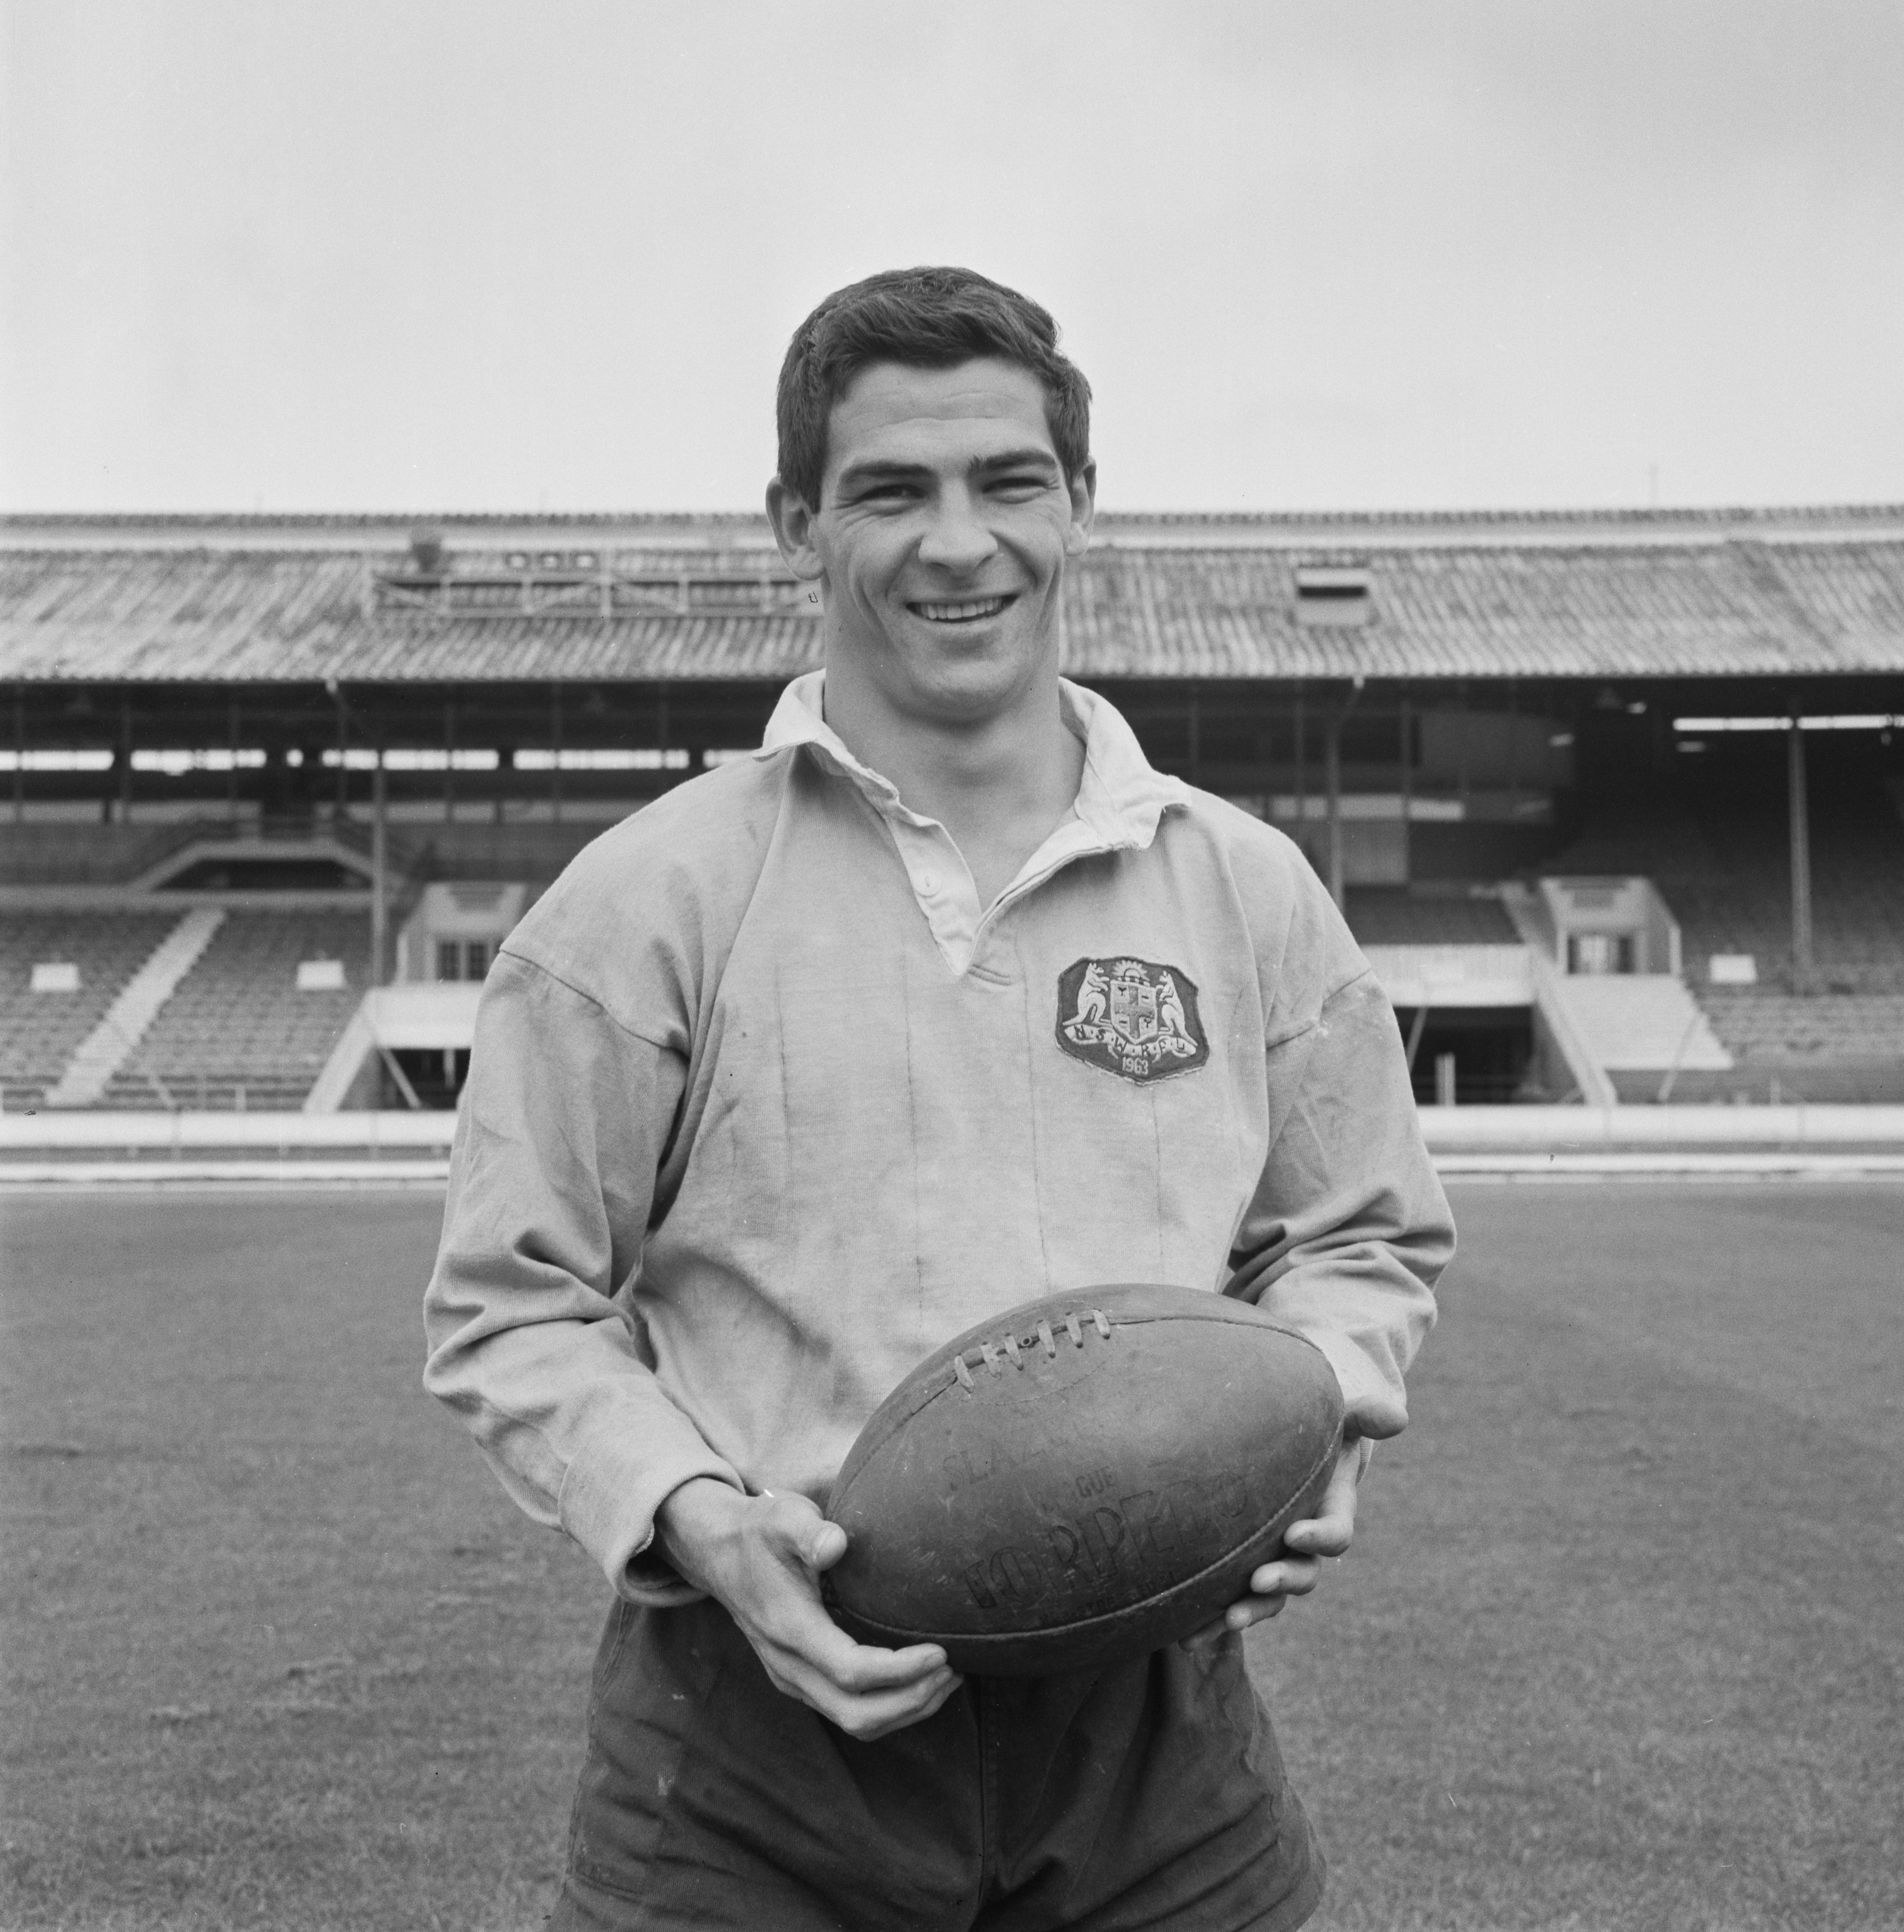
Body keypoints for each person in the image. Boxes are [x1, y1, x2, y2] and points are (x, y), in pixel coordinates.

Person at [423, 265, 1455, 1932]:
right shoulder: (643, 900)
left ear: (1080, 503)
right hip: (749, 1738)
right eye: (890, 490)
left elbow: (1357, 1236)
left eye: (1007, 482)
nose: (958, 543)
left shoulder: (1246, 886)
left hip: (1157, 1730)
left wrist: (1318, 1397)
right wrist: (700, 1519)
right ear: (797, 522)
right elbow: (512, 1304)